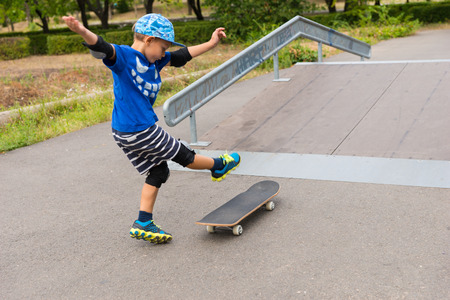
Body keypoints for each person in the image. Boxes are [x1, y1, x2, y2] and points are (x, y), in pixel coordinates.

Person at [62, 14, 241, 244]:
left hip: (123, 132)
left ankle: (143, 221)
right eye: (163, 47)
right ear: (148, 40)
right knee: (184, 156)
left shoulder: (156, 60)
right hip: (140, 129)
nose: (165, 53)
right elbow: (102, 47)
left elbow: (181, 57)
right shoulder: (125, 58)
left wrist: (211, 43)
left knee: (158, 171)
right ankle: (218, 166)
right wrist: (81, 30)